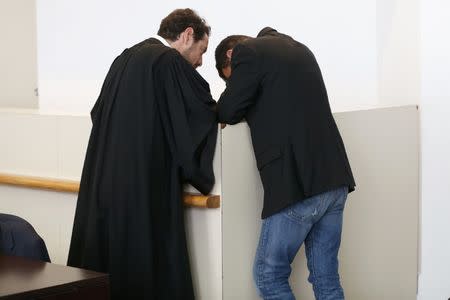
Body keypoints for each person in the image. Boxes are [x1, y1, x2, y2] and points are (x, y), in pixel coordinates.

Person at [67, 8, 217, 299]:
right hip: (143, 185)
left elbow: (98, 113)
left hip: (104, 183)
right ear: (187, 35)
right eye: (202, 51)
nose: (200, 62)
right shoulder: (167, 61)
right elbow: (199, 113)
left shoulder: (123, 58)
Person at [215, 28, 356, 300]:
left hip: (297, 185)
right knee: (326, 277)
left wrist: (231, 95)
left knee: (269, 275)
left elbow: (229, 109)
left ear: (231, 56)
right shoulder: (299, 48)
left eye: (230, 79)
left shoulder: (248, 52)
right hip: (334, 179)